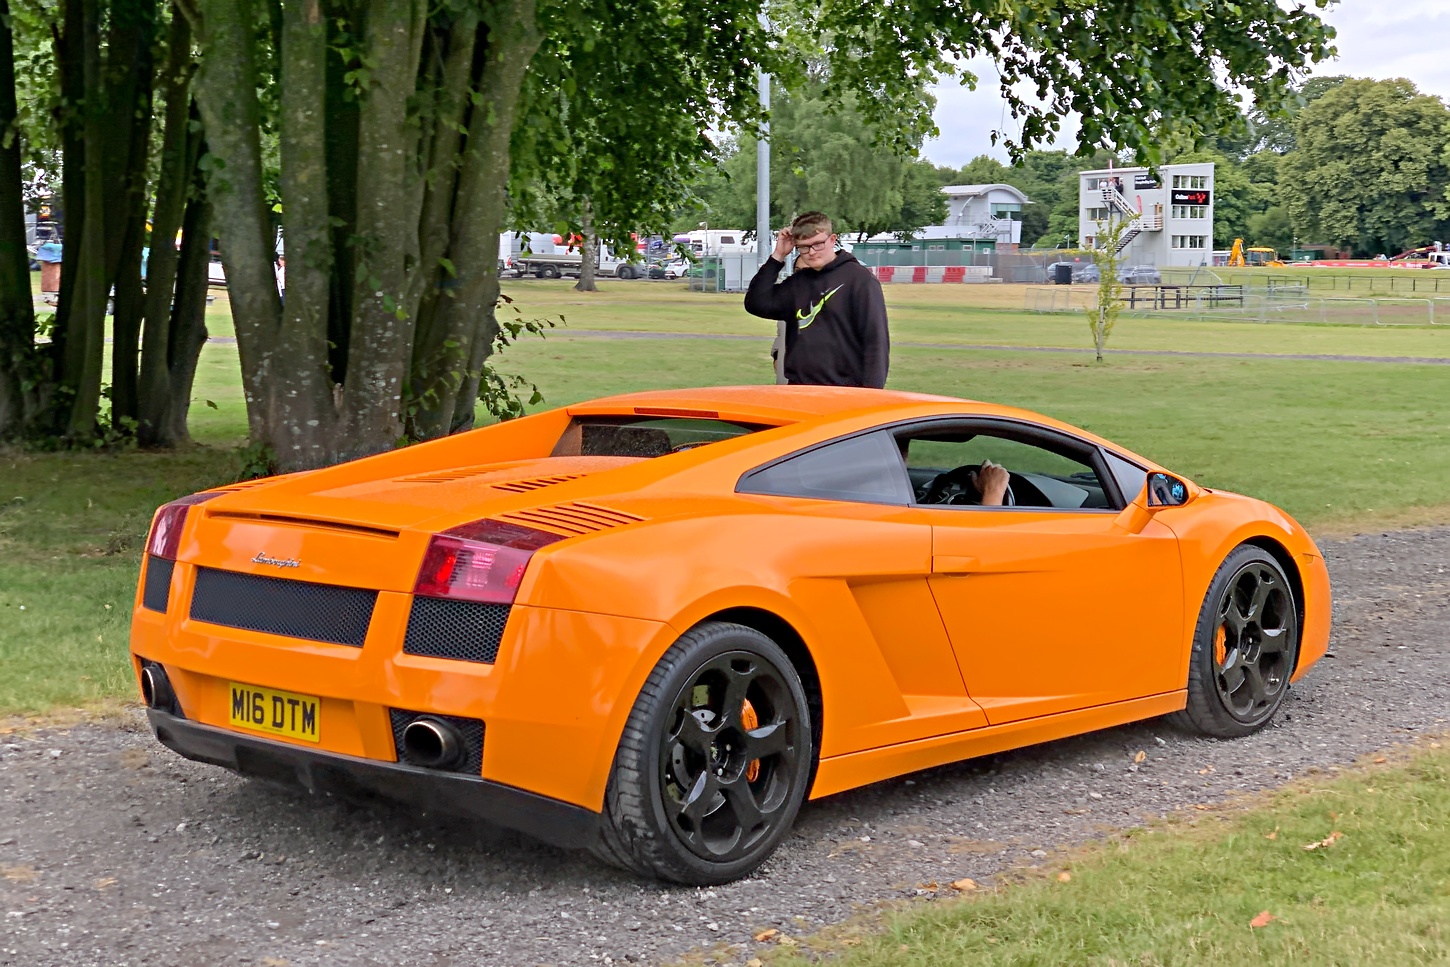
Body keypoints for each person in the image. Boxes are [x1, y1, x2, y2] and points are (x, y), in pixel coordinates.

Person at [743, 211, 889, 388]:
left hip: (845, 392)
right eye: (804, 247)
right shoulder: (798, 283)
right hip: (799, 390)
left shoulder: (859, 279)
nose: (811, 252)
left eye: (818, 244)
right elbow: (756, 303)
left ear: (832, 240)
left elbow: (875, 342)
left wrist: (872, 395)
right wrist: (778, 256)